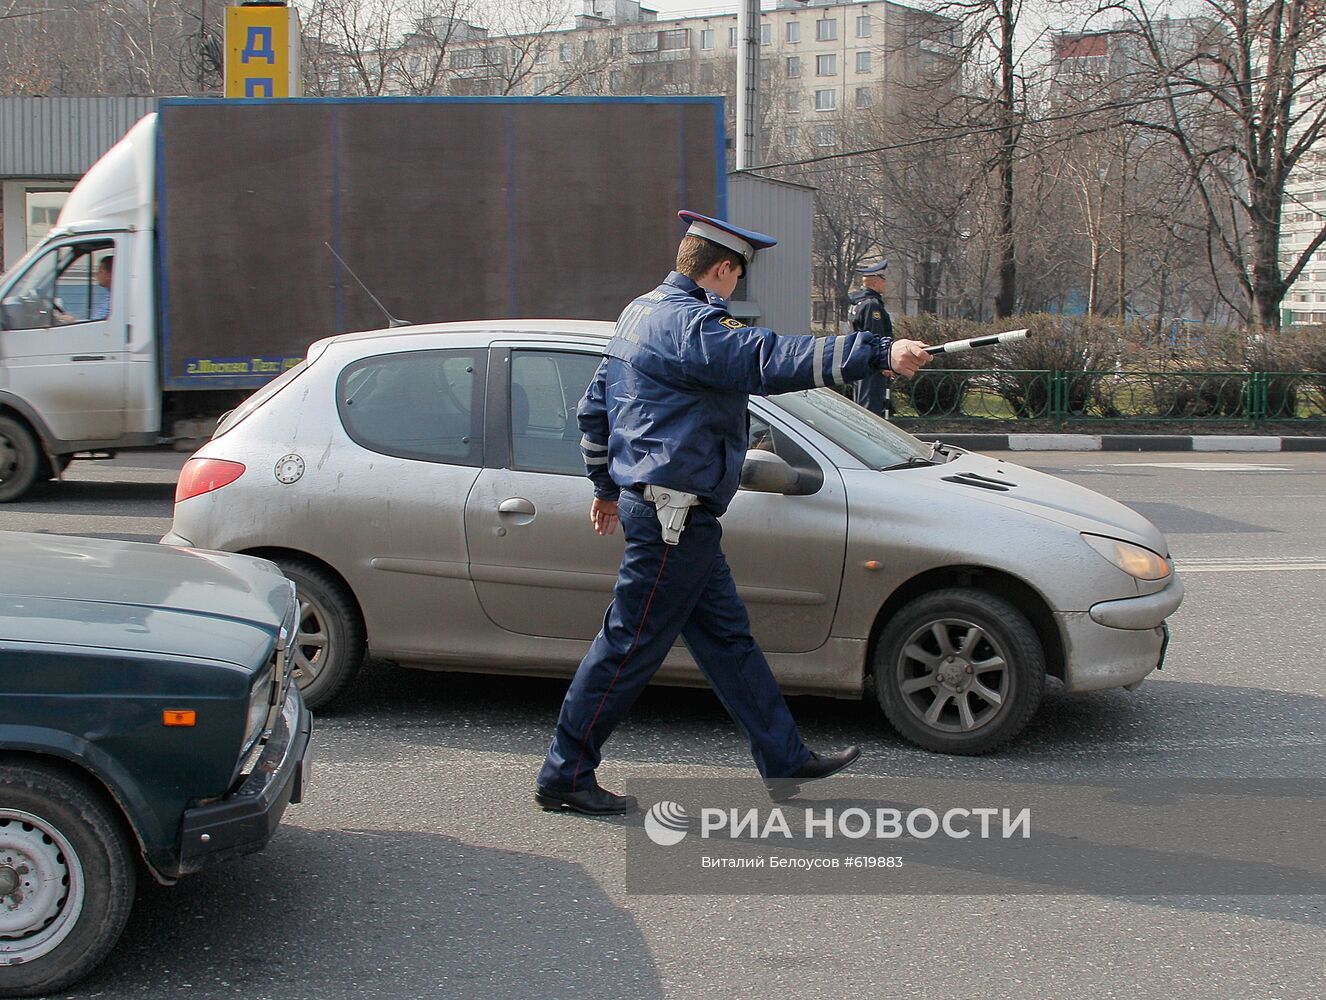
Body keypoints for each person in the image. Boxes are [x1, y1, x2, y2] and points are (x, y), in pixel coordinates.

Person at [534, 211, 932, 816]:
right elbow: (766, 357)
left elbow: (594, 410)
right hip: (674, 516)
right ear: (722, 268)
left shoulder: (639, 314)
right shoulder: (691, 324)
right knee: (627, 646)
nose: (734, 293)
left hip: (671, 514)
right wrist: (874, 353)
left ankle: (783, 756)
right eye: (736, 279)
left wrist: (606, 486)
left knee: (726, 640)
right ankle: (565, 773)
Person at [848, 260, 894, 416]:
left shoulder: (858, 303)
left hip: (860, 363)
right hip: (871, 367)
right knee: (870, 411)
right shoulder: (872, 306)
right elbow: (875, 338)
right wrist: (884, 363)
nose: (885, 283)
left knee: (862, 406)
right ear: (875, 281)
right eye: (883, 279)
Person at [91, 256, 113, 321]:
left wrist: (73, 322)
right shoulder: (109, 294)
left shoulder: (116, 298)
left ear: (110, 275)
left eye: (100, 271)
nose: (97, 274)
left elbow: (98, 321)